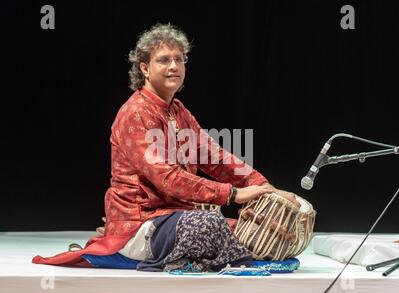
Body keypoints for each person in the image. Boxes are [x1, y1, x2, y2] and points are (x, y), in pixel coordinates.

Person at [33, 23, 299, 271]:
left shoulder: (179, 112)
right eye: (164, 60)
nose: (174, 66)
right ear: (145, 68)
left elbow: (216, 158)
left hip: (176, 219)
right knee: (209, 226)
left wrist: (266, 189)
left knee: (261, 229)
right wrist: (232, 195)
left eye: (179, 59)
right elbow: (167, 178)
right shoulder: (135, 113)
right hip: (143, 223)